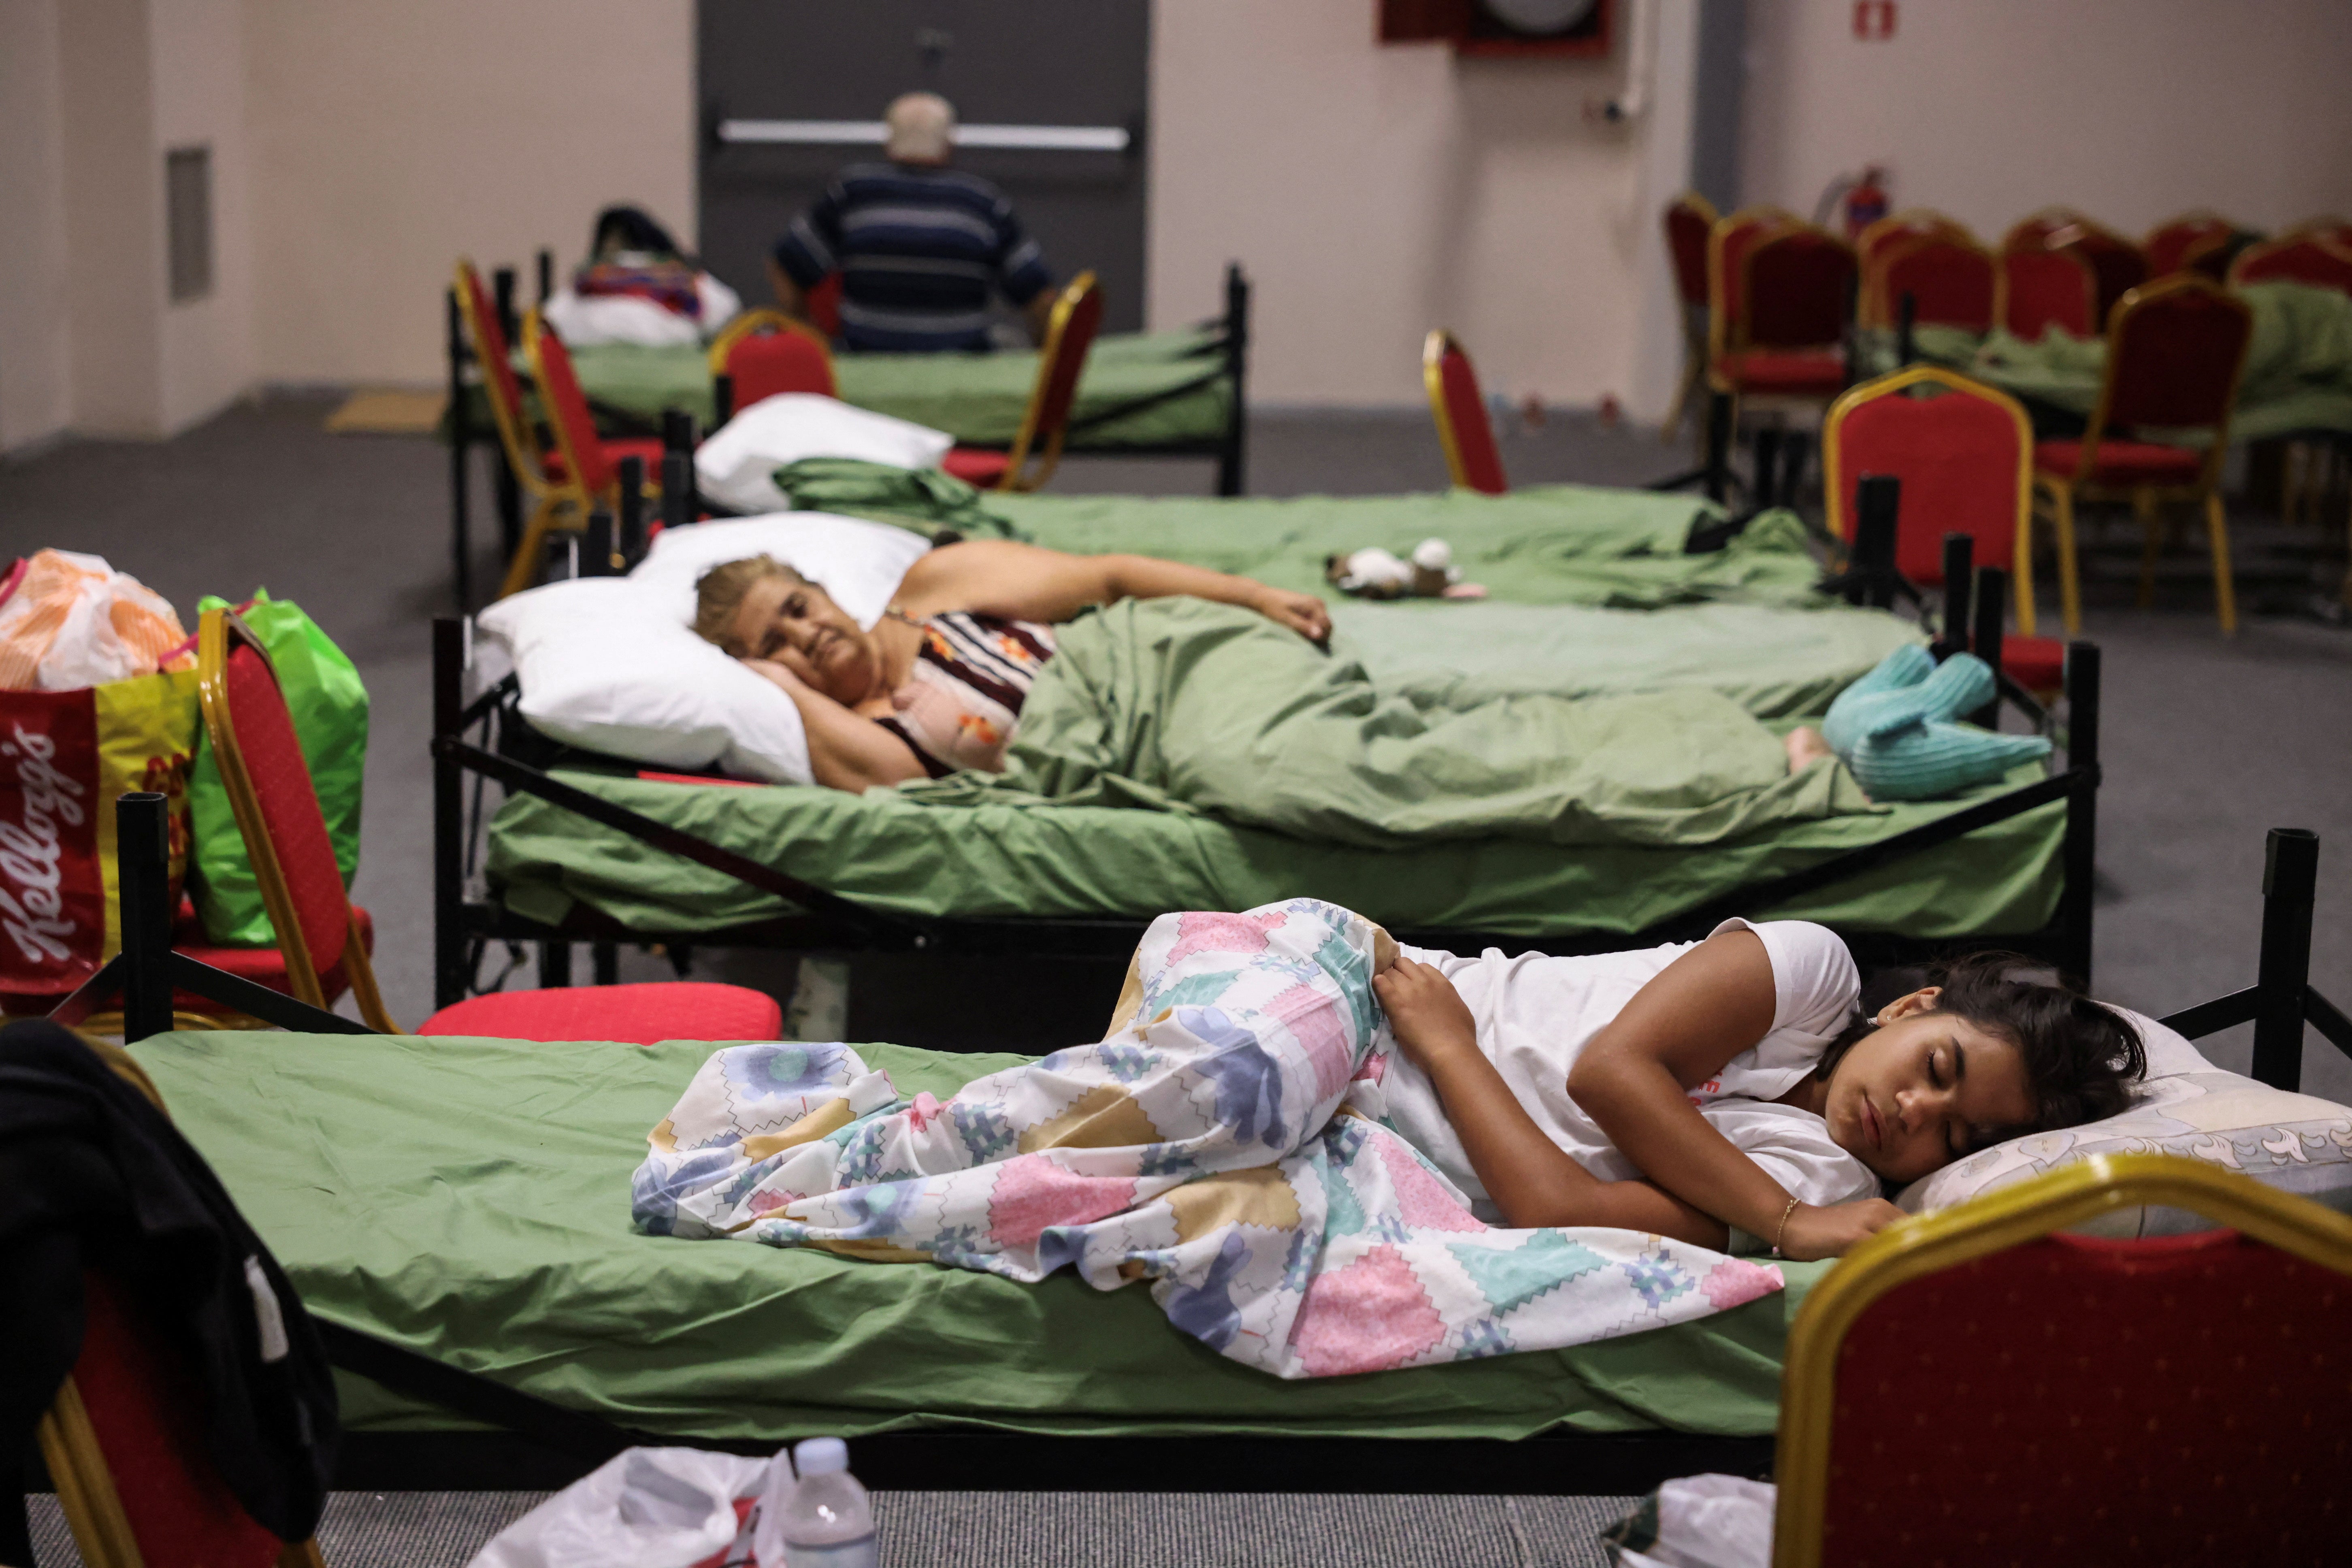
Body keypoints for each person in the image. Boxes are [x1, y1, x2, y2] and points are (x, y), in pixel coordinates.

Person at [1370, 922, 2144, 1257]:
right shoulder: (1811, 974)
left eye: (1955, 1137)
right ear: (1912, 1007)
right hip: (1384, 994)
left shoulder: (1826, 1179)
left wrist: (1445, 1047)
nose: (1914, 1112)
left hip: (1389, 1127)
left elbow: (1562, 1212)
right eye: (1937, 1069)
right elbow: (1608, 1072)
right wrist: (1787, 1222)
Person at [692, 543, 1333, 790]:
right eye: (776, 643)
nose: (806, 636)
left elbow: (1108, 579)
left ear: (825, 590)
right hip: (1158, 748)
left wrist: (1256, 597)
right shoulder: (860, 730)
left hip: (1164, 662)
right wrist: (777, 686)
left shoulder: (929, 589)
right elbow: (898, 783)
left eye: (800, 607)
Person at [767, 93, 1057, 352]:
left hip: (863, 355)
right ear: (948, 145)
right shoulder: (982, 202)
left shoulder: (853, 193)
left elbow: (786, 266)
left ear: (890, 144)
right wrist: (1042, 354)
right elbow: (1041, 300)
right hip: (962, 360)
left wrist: (808, 337)